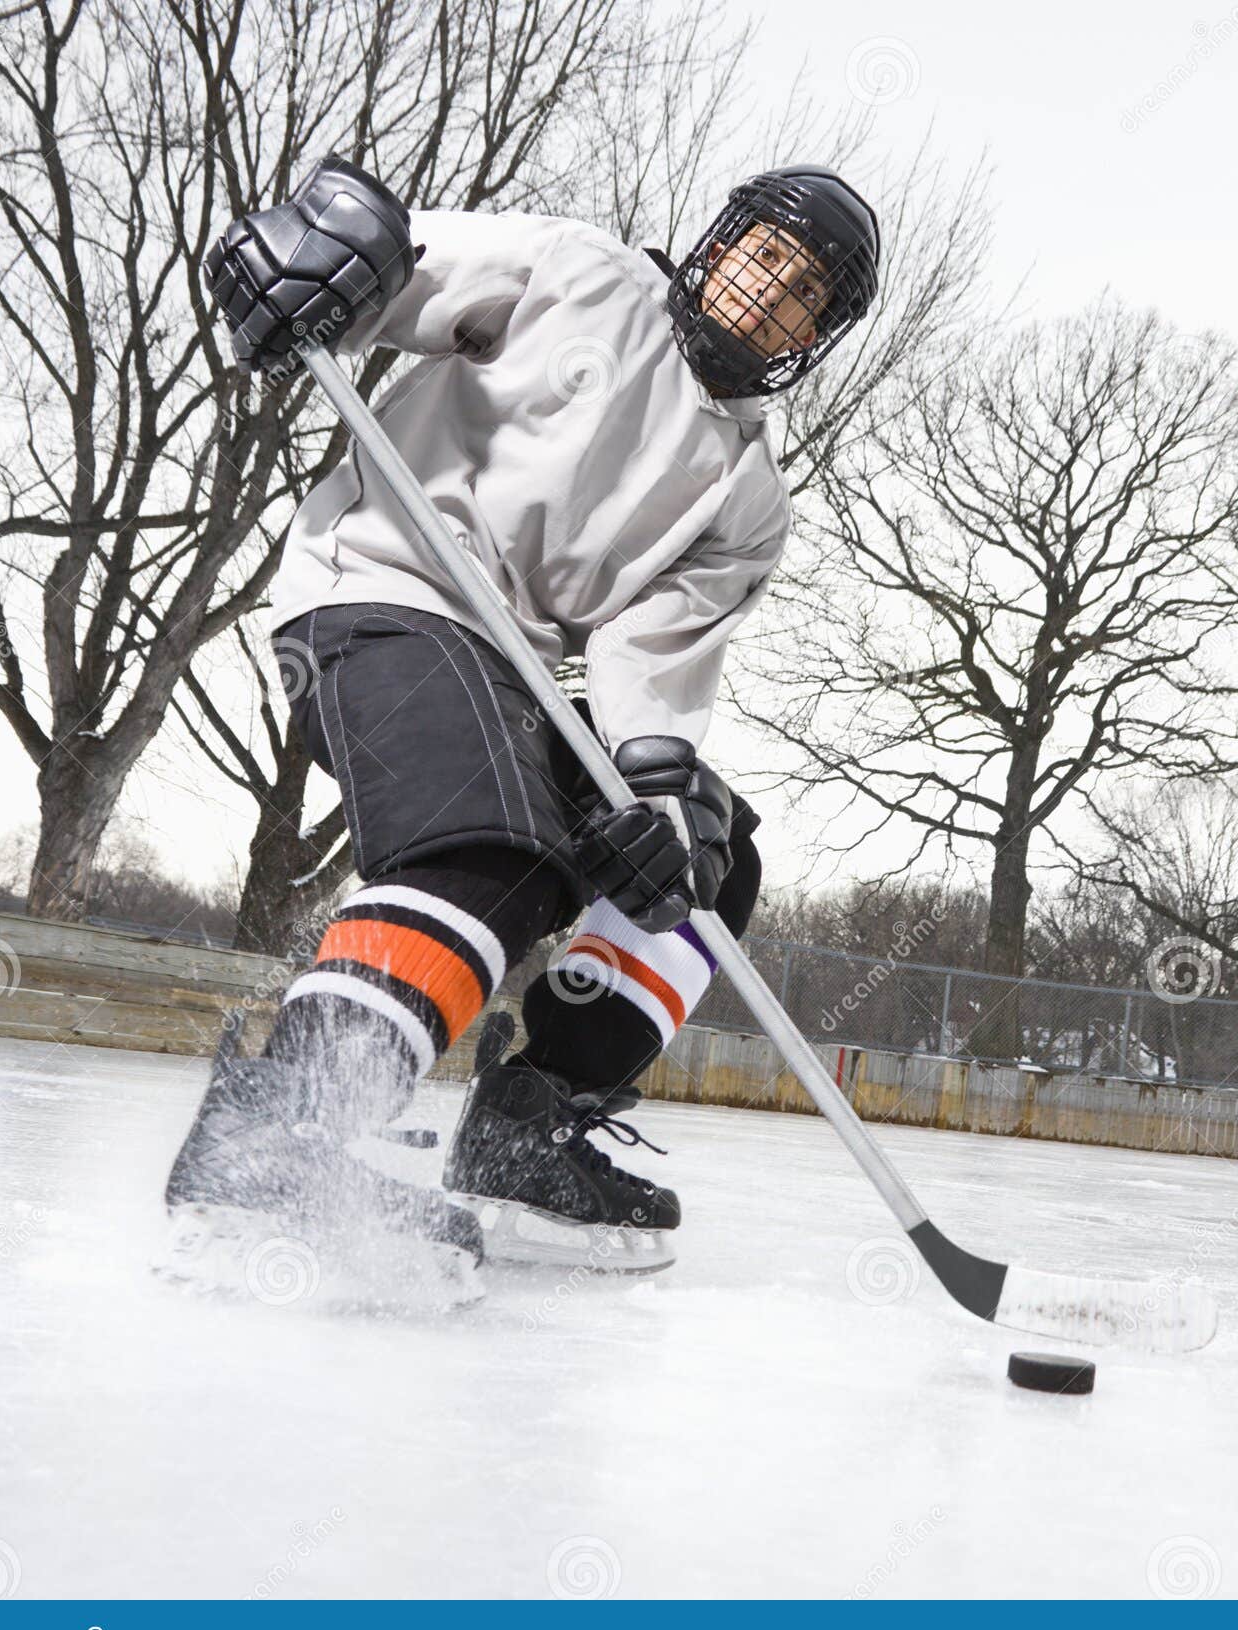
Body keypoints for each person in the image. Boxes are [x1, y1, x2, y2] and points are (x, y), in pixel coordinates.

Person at [162, 155, 880, 1302]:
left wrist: (655, 789)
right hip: (381, 591)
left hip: (520, 671)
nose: (768, 290)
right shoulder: (579, 272)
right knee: (487, 846)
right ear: (718, 244)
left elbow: (648, 655)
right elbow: (397, 275)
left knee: (709, 852)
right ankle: (279, 1132)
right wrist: (329, 266)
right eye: (762, 256)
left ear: (817, 332)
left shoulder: (748, 501)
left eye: (802, 291)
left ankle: (529, 1134)